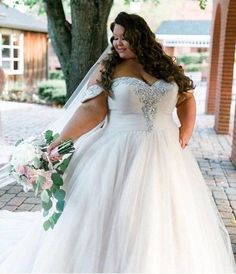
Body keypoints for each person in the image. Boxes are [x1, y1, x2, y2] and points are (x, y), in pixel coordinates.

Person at [0, 11, 235, 273]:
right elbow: (91, 111)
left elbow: (186, 98)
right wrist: (58, 142)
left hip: (167, 155)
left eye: (124, 36)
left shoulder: (166, 65)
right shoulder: (109, 68)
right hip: (118, 153)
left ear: (141, 36)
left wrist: (186, 132)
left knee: (163, 218)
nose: (117, 42)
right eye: (115, 37)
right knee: (119, 220)